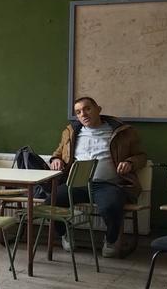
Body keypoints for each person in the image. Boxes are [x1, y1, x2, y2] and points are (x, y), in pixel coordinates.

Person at [48, 97, 146, 258]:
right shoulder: (71, 132)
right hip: (76, 183)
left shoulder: (122, 131)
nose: (83, 114)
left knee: (111, 207)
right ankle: (65, 232)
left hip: (107, 185)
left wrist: (130, 162)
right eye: (78, 112)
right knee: (51, 202)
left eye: (87, 109)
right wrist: (56, 159)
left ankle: (110, 239)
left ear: (98, 109)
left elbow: (141, 156)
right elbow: (58, 152)